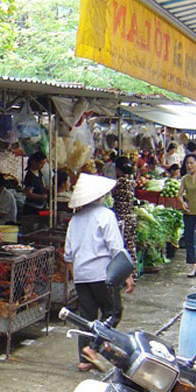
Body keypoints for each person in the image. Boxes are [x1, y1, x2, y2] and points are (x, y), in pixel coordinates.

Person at [64, 174, 135, 372]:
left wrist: (75, 275)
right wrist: (127, 275)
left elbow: (68, 254)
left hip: (81, 275)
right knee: (113, 312)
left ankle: (84, 359)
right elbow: (116, 248)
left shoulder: (75, 220)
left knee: (86, 316)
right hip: (103, 275)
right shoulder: (106, 215)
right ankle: (93, 348)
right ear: (100, 196)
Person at [112, 157, 138, 259]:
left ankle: (126, 272)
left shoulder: (119, 182)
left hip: (122, 218)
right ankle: (133, 271)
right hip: (130, 216)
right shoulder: (131, 181)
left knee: (122, 246)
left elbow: (114, 195)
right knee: (130, 245)